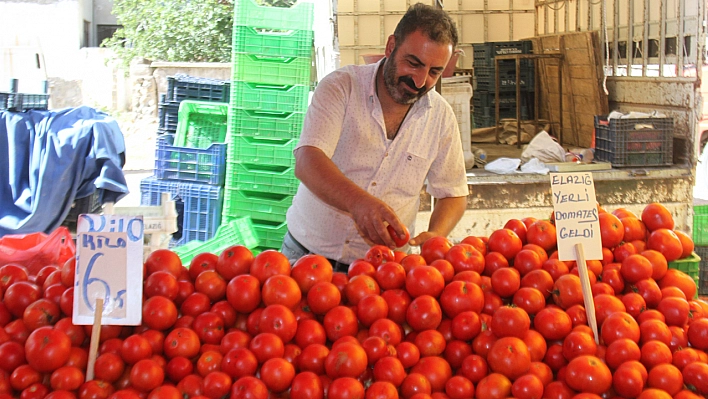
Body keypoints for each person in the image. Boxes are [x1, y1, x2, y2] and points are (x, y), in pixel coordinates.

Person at [281, 3, 469, 271]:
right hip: (306, 256)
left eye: (434, 72)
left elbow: (453, 193)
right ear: (391, 46)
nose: (419, 80)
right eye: (413, 63)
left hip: (385, 271)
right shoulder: (341, 87)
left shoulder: (441, 117)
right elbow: (308, 160)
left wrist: (437, 234)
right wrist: (358, 203)